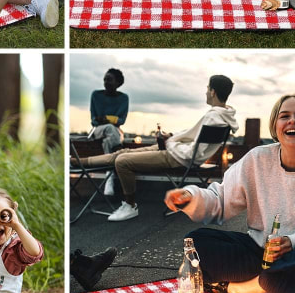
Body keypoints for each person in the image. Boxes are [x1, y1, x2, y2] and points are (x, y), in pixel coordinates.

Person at [165, 94, 295, 293]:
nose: (292, 121)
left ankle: (252, 286)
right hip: (258, 254)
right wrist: (191, 197)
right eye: (284, 116)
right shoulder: (256, 159)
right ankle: (279, 285)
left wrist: (294, 242)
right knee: (195, 242)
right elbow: (221, 200)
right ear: (275, 126)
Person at [78, 75, 238, 222]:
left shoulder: (213, 117)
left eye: (207, 88)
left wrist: (170, 143)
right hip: (177, 151)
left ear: (213, 92)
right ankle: (78, 161)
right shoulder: (224, 116)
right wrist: (171, 137)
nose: (205, 92)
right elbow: (194, 140)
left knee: (122, 161)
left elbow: (192, 153)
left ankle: (130, 206)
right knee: (122, 153)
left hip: (177, 157)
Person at [89, 68, 129, 196]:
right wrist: (111, 119)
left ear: (118, 83)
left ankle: (109, 174)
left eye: (110, 80)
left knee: (108, 139)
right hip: (98, 131)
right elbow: (94, 121)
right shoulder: (96, 95)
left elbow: (121, 121)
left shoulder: (123, 98)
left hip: (115, 132)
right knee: (110, 129)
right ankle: (118, 157)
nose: (106, 82)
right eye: (105, 79)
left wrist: (105, 118)